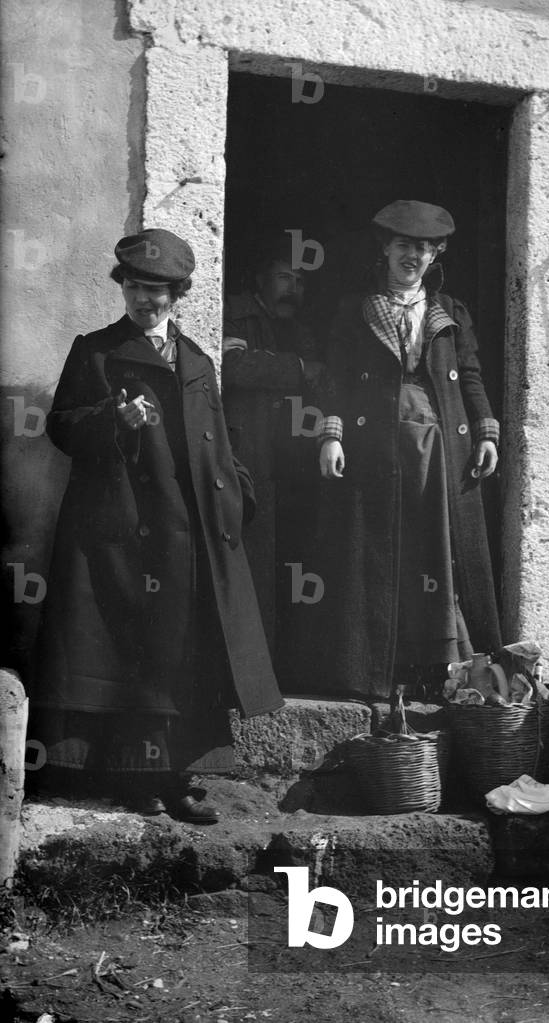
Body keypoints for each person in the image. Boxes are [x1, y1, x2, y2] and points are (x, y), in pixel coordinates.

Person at [31, 228, 283, 822]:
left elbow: (220, 438)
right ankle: (133, 781)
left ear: (179, 295)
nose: (147, 301)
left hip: (191, 530)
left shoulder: (196, 359)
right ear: (123, 288)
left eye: (160, 291)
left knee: (183, 652)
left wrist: (239, 492)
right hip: (127, 532)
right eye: (138, 288)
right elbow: (62, 427)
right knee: (130, 652)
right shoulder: (94, 351)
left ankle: (175, 777)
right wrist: (112, 418)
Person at [312, 200, 502, 700]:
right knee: (383, 551)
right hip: (378, 447)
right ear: (386, 248)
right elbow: (336, 378)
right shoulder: (355, 309)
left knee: (438, 552)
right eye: (403, 246)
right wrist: (332, 435)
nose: (411, 256)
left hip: (440, 447)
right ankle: (377, 671)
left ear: (435, 253)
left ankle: (446, 668)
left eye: (422, 247)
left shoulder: (450, 312)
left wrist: (485, 432)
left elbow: (472, 376)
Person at [222, 236, 324, 658]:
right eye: (284, 277)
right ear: (260, 279)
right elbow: (233, 368)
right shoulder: (235, 313)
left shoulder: (300, 329)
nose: (293, 288)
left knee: (293, 559)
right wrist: (300, 368)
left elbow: (327, 379)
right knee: (252, 558)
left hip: (293, 461)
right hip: (249, 454)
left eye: (300, 280)